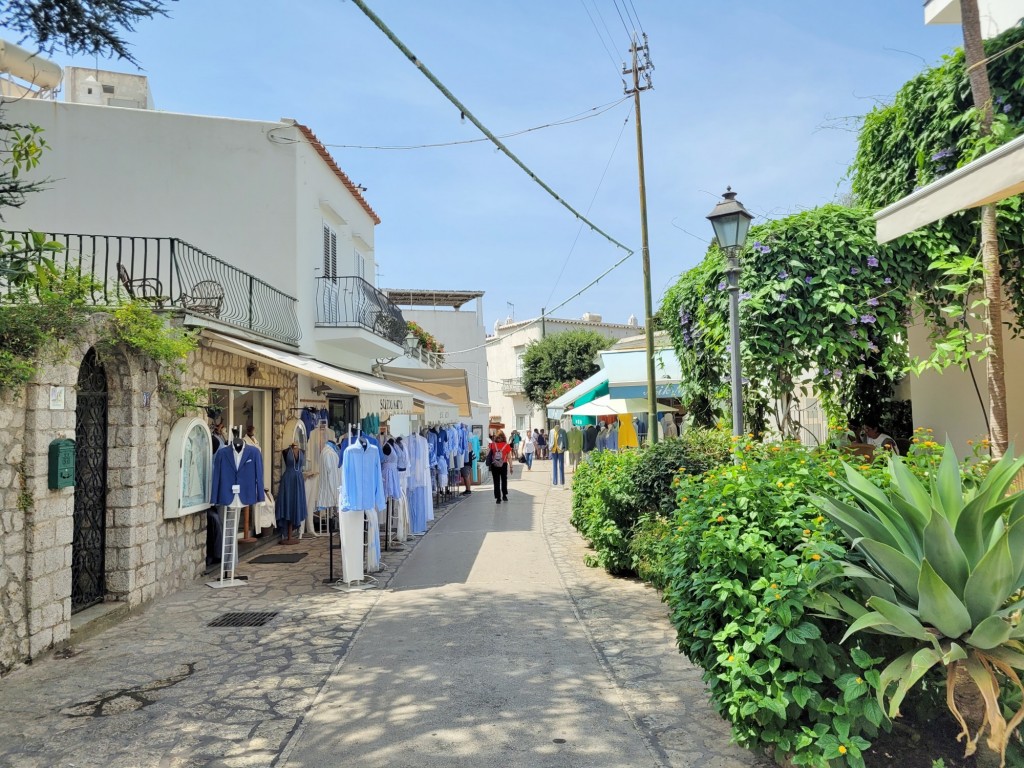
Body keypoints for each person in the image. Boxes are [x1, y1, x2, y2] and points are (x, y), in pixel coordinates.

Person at [487, 431, 514, 504]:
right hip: (503, 465)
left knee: (496, 481)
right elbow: (509, 457)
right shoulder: (507, 445)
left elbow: (487, 454)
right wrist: (511, 467)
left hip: (494, 465)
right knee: (504, 480)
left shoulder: (492, 445)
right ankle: (504, 496)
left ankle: (498, 498)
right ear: (504, 437)